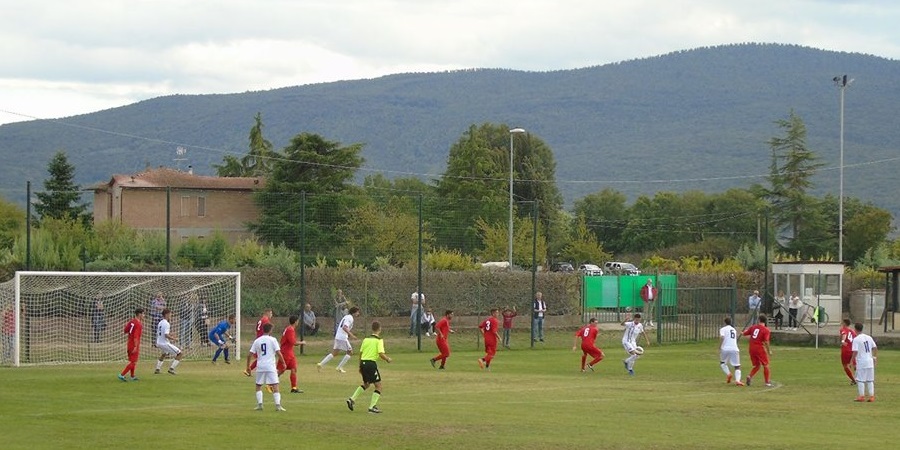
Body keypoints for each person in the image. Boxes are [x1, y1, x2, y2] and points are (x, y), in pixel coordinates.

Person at [346, 320, 392, 414]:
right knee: (378, 386)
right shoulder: (379, 340)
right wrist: (387, 359)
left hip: (363, 362)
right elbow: (381, 353)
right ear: (379, 329)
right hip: (371, 364)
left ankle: (352, 399)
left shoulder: (366, 339)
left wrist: (360, 365)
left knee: (366, 384)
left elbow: (361, 353)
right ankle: (372, 407)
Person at [246, 322, 287, 411]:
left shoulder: (257, 340)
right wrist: (283, 363)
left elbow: (249, 355)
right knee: (275, 385)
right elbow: (278, 353)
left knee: (258, 385)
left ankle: (260, 405)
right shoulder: (273, 340)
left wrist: (248, 367)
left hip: (260, 366)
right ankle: (278, 405)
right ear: (270, 330)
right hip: (270, 366)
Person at [317, 306, 360, 373]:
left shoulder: (346, 317)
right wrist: (352, 335)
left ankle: (320, 364)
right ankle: (339, 367)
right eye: (357, 312)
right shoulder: (350, 318)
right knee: (350, 352)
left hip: (338, 336)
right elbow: (344, 327)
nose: (358, 313)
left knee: (335, 353)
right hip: (342, 337)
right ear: (354, 312)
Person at [742, 314, 772, 387]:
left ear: (759, 320)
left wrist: (742, 332)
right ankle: (767, 382)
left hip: (751, 348)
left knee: (757, 365)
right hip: (759, 348)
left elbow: (744, 333)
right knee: (765, 365)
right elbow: (766, 341)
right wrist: (769, 351)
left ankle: (749, 376)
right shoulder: (766, 330)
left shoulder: (753, 327)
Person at [278, 315, 306, 394]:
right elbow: (293, 342)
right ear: (295, 321)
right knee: (281, 370)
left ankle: (294, 388)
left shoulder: (290, 329)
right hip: (286, 352)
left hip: (290, 352)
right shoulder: (290, 329)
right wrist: (302, 342)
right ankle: (270, 384)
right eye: (298, 321)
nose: (298, 322)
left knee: (294, 369)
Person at [851, 322, 877, 402]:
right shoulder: (868, 337)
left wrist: (851, 360)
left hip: (861, 362)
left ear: (855, 329)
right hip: (870, 361)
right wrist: (874, 357)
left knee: (860, 379)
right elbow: (875, 347)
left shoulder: (856, 339)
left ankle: (861, 396)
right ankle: (871, 396)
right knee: (870, 380)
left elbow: (855, 351)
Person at [243, 308, 273, 376]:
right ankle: (249, 369)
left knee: (260, 357)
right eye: (271, 313)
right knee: (263, 357)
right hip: (263, 340)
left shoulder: (260, 320)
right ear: (267, 313)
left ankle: (249, 369)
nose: (271, 315)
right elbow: (268, 331)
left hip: (258, 339)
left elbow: (256, 330)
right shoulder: (266, 320)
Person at [154, 308, 183, 375]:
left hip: (159, 342)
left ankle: (157, 369)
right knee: (180, 353)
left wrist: (171, 334)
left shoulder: (160, 322)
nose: (171, 315)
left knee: (164, 354)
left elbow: (161, 333)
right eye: (170, 314)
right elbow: (166, 335)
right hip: (164, 343)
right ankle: (171, 369)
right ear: (166, 314)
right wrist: (174, 339)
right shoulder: (167, 323)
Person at [118, 308, 144, 381]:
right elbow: (136, 336)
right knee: (133, 362)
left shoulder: (131, 322)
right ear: (139, 314)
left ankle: (132, 376)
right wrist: (135, 346)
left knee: (133, 361)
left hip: (129, 343)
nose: (144, 316)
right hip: (134, 344)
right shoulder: (138, 324)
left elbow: (125, 330)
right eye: (143, 314)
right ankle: (122, 375)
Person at [719, 316, 744, 386]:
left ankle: (729, 374)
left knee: (722, 363)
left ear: (725, 322)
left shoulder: (723, 329)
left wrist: (720, 346)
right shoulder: (734, 330)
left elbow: (722, 337)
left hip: (725, 348)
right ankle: (738, 381)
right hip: (734, 348)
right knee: (737, 366)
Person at [839, 319, 858, 385]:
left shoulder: (843, 329)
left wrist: (843, 341)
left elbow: (844, 334)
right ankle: (861, 378)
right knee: (855, 365)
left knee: (845, 366)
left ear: (844, 323)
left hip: (846, 350)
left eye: (842, 322)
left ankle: (853, 380)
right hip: (853, 350)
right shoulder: (853, 331)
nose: (841, 323)